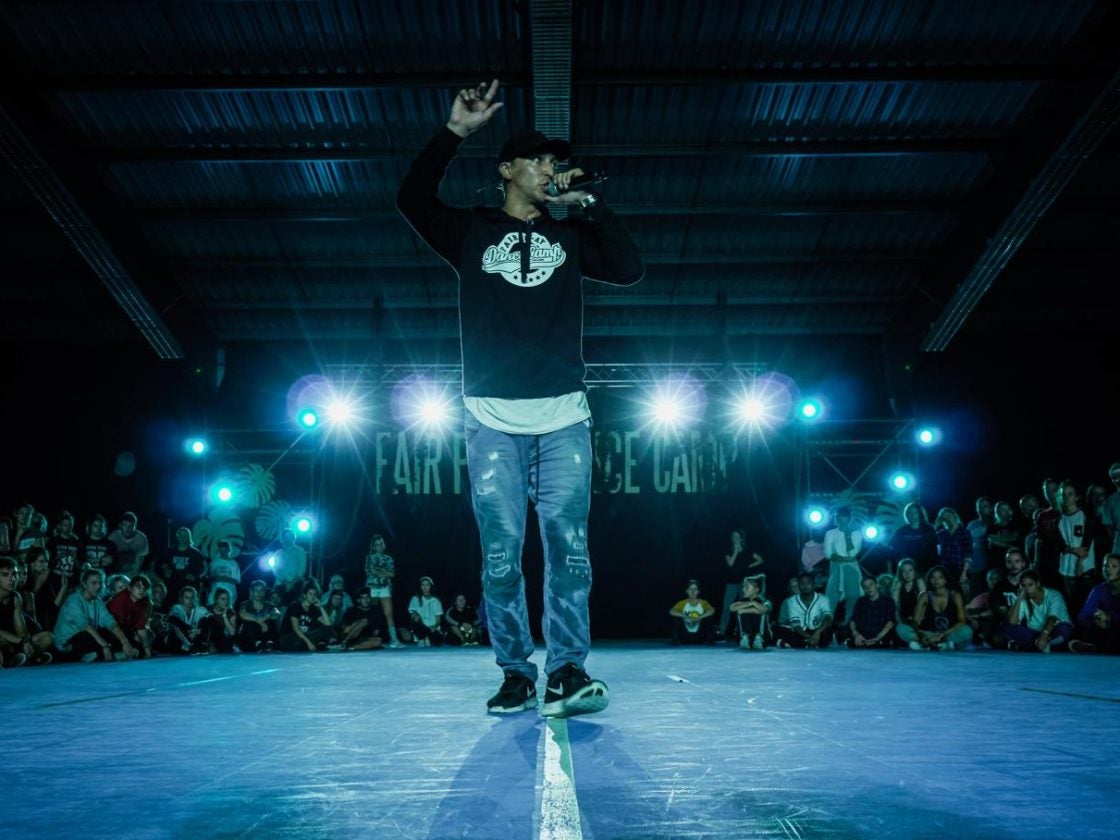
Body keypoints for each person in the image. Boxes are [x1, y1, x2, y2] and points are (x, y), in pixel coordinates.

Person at [397, 79, 642, 718]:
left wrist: (588, 205)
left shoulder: (569, 236)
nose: (550, 168)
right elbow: (411, 198)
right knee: (503, 555)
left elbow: (628, 267)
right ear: (507, 169)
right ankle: (514, 672)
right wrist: (454, 132)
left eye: (556, 161)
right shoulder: (470, 232)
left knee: (568, 549)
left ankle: (566, 671)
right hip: (491, 417)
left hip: (564, 416)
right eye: (538, 159)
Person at [52, 567, 138, 662]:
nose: (98, 587)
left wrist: (125, 643)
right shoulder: (73, 600)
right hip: (67, 643)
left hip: (90, 638)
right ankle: (103, 654)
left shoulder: (98, 602)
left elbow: (110, 622)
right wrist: (105, 646)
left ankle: (107, 653)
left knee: (121, 631)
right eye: (94, 583)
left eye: (100, 583)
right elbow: (85, 626)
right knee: (86, 636)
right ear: (84, 584)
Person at [896, 566, 972, 651]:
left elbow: (961, 621)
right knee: (900, 628)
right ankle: (938, 645)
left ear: (945, 580)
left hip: (947, 633)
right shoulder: (924, 596)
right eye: (933, 578)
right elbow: (915, 622)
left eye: (940, 577)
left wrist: (941, 635)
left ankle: (933, 645)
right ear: (929, 580)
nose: (936, 580)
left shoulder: (955, 595)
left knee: (967, 631)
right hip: (928, 633)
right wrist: (922, 636)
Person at [1000, 569, 1074, 652]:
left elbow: (1052, 618)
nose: (1027, 589)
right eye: (1023, 585)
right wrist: (1018, 599)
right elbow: (1012, 622)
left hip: (1052, 630)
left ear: (1038, 584)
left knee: (1065, 629)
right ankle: (1041, 646)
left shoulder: (1053, 595)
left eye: (1030, 585)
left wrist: (1044, 635)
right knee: (1005, 626)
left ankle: (1037, 645)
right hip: (1034, 633)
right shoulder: (1023, 598)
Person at [0, 556, 53, 666]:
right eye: (5, 575)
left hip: (15, 640)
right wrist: (20, 641)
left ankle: (24, 657)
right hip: (5, 640)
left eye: (14, 574)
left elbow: (21, 629)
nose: (12, 579)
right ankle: (11, 660)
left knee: (47, 637)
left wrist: (26, 643)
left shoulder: (16, 597)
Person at [718, 529, 764, 637]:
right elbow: (730, 563)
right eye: (733, 536)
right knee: (727, 607)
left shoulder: (748, 549)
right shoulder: (728, 549)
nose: (735, 538)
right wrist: (735, 551)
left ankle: (743, 631)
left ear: (741, 538)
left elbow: (760, 560)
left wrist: (750, 565)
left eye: (737, 536)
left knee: (744, 606)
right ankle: (721, 631)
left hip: (744, 583)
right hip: (731, 582)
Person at [1072, 552, 1120, 653]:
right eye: (1105, 566)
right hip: (1103, 629)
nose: (1108, 569)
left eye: (1114, 566)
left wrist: (1109, 618)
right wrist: (1096, 618)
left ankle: (1094, 647)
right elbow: (1082, 617)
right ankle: (1098, 646)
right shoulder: (1099, 589)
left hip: (1115, 626)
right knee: (1082, 630)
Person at [823, 507, 863, 627]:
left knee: (853, 598)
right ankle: (826, 629)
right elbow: (828, 555)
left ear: (849, 518)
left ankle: (850, 628)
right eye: (837, 516)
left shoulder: (857, 534)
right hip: (836, 568)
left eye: (843, 515)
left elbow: (852, 553)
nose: (839, 518)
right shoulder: (830, 533)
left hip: (851, 569)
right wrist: (847, 559)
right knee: (830, 599)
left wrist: (847, 535)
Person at [364, 534, 404, 648]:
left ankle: (394, 640)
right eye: (377, 544)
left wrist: (379, 572)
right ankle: (370, 638)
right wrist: (383, 572)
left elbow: (391, 573)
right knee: (374, 613)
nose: (380, 546)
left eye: (381, 543)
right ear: (373, 546)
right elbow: (371, 571)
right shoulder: (369, 558)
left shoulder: (388, 558)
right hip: (372, 588)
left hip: (384, 587)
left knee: (388, 613)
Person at [774, 573, 833, 649]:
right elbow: (796, 625)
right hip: (800, 632)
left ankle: (804, 643)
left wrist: (817, 633)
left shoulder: (823, 599)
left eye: (808, 582)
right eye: (802, 583)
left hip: (817, 630)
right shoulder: (791, 601)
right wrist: (809, 637)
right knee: (780, 630)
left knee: (828, 631)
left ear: (813, 584)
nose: (805, 586)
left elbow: (828, 618)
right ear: (799, 585)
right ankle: (810, 643)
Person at [277, 582, 336, 652]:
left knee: (327, 629)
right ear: (304, 595)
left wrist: (320, 607)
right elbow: (296, 629)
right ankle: (313, 646)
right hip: (289, 638)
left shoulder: (313, 609)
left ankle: (331, 645)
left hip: (304, 637)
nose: (313, 596)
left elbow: (328, 624)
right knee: (298, 642)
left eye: (315, 594)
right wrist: (309, 643)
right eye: (310, 594)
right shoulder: (295, 606)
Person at [106, 574, 154, 658]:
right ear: (130, 588)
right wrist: (132, 638)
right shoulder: (119, 600)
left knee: (145, 640)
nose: (142, 590)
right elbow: (114, 626)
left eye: (144, 588)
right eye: (138, 587)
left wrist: (147, 652)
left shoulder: (145, 601)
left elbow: (141, 628)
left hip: (128, 630)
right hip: (111, 630)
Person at [845, 576, 897, 648]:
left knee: (893, 634)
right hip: (864, 633)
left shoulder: (888, 601)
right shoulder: (861, 601)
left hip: (882, 634)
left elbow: (890, 622)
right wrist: (856, 634)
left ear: (877, 585)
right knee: (844, 631)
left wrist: (878, 637)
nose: (868, 588)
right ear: (863, 589)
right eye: (865, 587)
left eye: (871, 585)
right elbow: (853, 619)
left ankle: (879, 643)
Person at [159, 526, 207, 604]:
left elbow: (204, 568)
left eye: (185, 535)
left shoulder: (195, 553)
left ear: (189, 537)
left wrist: (195, 576)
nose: (183, 538)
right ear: (177, 537)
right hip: (172, 585)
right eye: (181, 535)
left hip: (189, 586)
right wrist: (164, 572)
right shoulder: (170, 551)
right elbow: (160, 564)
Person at [887, 503, 938, 574]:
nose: (912, 515)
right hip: (907, 569)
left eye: (915, 513)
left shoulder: (928, 530)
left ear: (919, 514)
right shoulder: (902, 531)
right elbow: (893, 548)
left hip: (925, 568)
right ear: (906, 515)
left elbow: (934, 550)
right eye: (909, 513)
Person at [728, 574, 771, 650]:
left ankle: (759, 637)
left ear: (756, 589)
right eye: (743, 587)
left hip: (763, 639)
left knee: (760, 610)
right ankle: (744, 637)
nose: (743, 589)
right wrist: (751, 604)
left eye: (747, 587)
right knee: (742, 607)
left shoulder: (765, 601)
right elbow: (731, 608)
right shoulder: (743, 602)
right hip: (742, 639)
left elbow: (763, 609)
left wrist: (744, 610)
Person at [236, 580, 280, 653]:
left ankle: (269, 644)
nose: (259, 593)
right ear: (252, 592)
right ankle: (258, 644)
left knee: (271, 621)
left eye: (261, 590)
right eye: (256, 590)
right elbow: (243, 614)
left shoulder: (269, 605)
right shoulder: (245, 604)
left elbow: (277, 614)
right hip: (248, 639)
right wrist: (261, 622)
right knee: (250, 623)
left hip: (264, 635)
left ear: (264, 592)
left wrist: (266, 617)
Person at [668, 580, 716, 645]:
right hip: (685, 636)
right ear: (687, 591)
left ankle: (710, 640)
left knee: (709, 618)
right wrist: (686, 617)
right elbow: (671, 611)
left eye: (695, 589)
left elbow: (712, 610)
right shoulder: (682, 603)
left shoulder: (703, 603)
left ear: (698, 591)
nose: (693, 591)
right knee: (675, 618)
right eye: (690, 589)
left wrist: (699, 618)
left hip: (700, 635)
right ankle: (675, 640)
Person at [168, 586, 211, 655]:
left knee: (206, 620)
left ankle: (203, 645)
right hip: (179, 640)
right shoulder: (177, 608)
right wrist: (190, 630)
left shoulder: (201, 609)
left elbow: (211, 621)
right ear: (182, 599)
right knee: (175, 625)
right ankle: (190, 646)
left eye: (192, 597)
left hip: (195, 637)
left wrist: (200, 629)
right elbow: (172, 619)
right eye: (187, 598)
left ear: (196, 598)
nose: (190, 600)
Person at [106, 511, 149, 577]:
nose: (128, 528)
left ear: (135, 526)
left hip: (133, 571)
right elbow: (108, 558)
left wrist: (133, 576)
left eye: (131, 526)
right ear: (120, 525)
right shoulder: (113, 537)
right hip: (115, 571)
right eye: (125, 525)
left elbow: (139, 560)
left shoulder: (141, 538)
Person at [408, 576, 446, 647]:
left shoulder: (436, 601)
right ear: (420, 586)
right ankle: (422, 638)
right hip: (421, 627)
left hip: (432, 628)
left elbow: (438, 619)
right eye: (423, 585)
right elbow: (413, 612)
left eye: (427, 585)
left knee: (437, 642)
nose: (425, 587)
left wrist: (434, 626)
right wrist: (416, 614)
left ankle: (426, 637)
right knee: (414, 618)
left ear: (431, 586)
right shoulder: (415, 598)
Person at [207, 539, 242, 606]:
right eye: (221, 551)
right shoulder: (214, 563)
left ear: (229, 550)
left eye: (225, 550)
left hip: (229, 592)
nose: (223, 553)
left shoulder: (234, 563)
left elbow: (237, 580)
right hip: (215, 591)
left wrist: (222, 579)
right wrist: (215, 579)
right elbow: (210, 579)